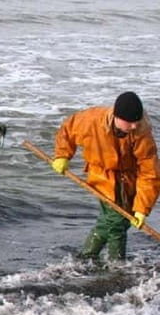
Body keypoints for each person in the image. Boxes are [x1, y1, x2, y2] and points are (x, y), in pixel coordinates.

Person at [52, 91, 160, 260]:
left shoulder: (141, 132)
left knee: (114, 221)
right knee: (116, 223)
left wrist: (141, 209)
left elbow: (150, 173)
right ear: (116, 117)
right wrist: (62, 155)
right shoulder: (92, 120)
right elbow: (68, 130)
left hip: (128, 180)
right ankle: (117, 265)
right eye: (130, 122)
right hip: (102, 176)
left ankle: (87, 257)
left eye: (136, 122)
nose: (133, 126)